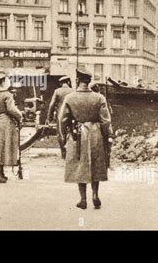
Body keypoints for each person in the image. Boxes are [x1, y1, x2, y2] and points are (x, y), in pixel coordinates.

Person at [59, 69, 112, 210]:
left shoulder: (70, 98)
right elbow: (106, 120)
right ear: (89, 82)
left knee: (80, 165)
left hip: (78, 133)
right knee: (95, 163)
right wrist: (106, 136)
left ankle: (83, 199)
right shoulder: (99, 97)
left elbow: (62, 119)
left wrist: (63, 135)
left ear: (77, 81)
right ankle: (95, 195)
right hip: (95, 133)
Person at [47, 76, 73, 159]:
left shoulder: (57, 91)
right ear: (68, 82)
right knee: (73, 133)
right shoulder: (73, 91)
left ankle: (63, 153)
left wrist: (49, 118)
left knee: (61, 133)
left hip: (61, 115)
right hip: (73, 115)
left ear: (61, 83)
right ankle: (72, 152)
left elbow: (51, 105)